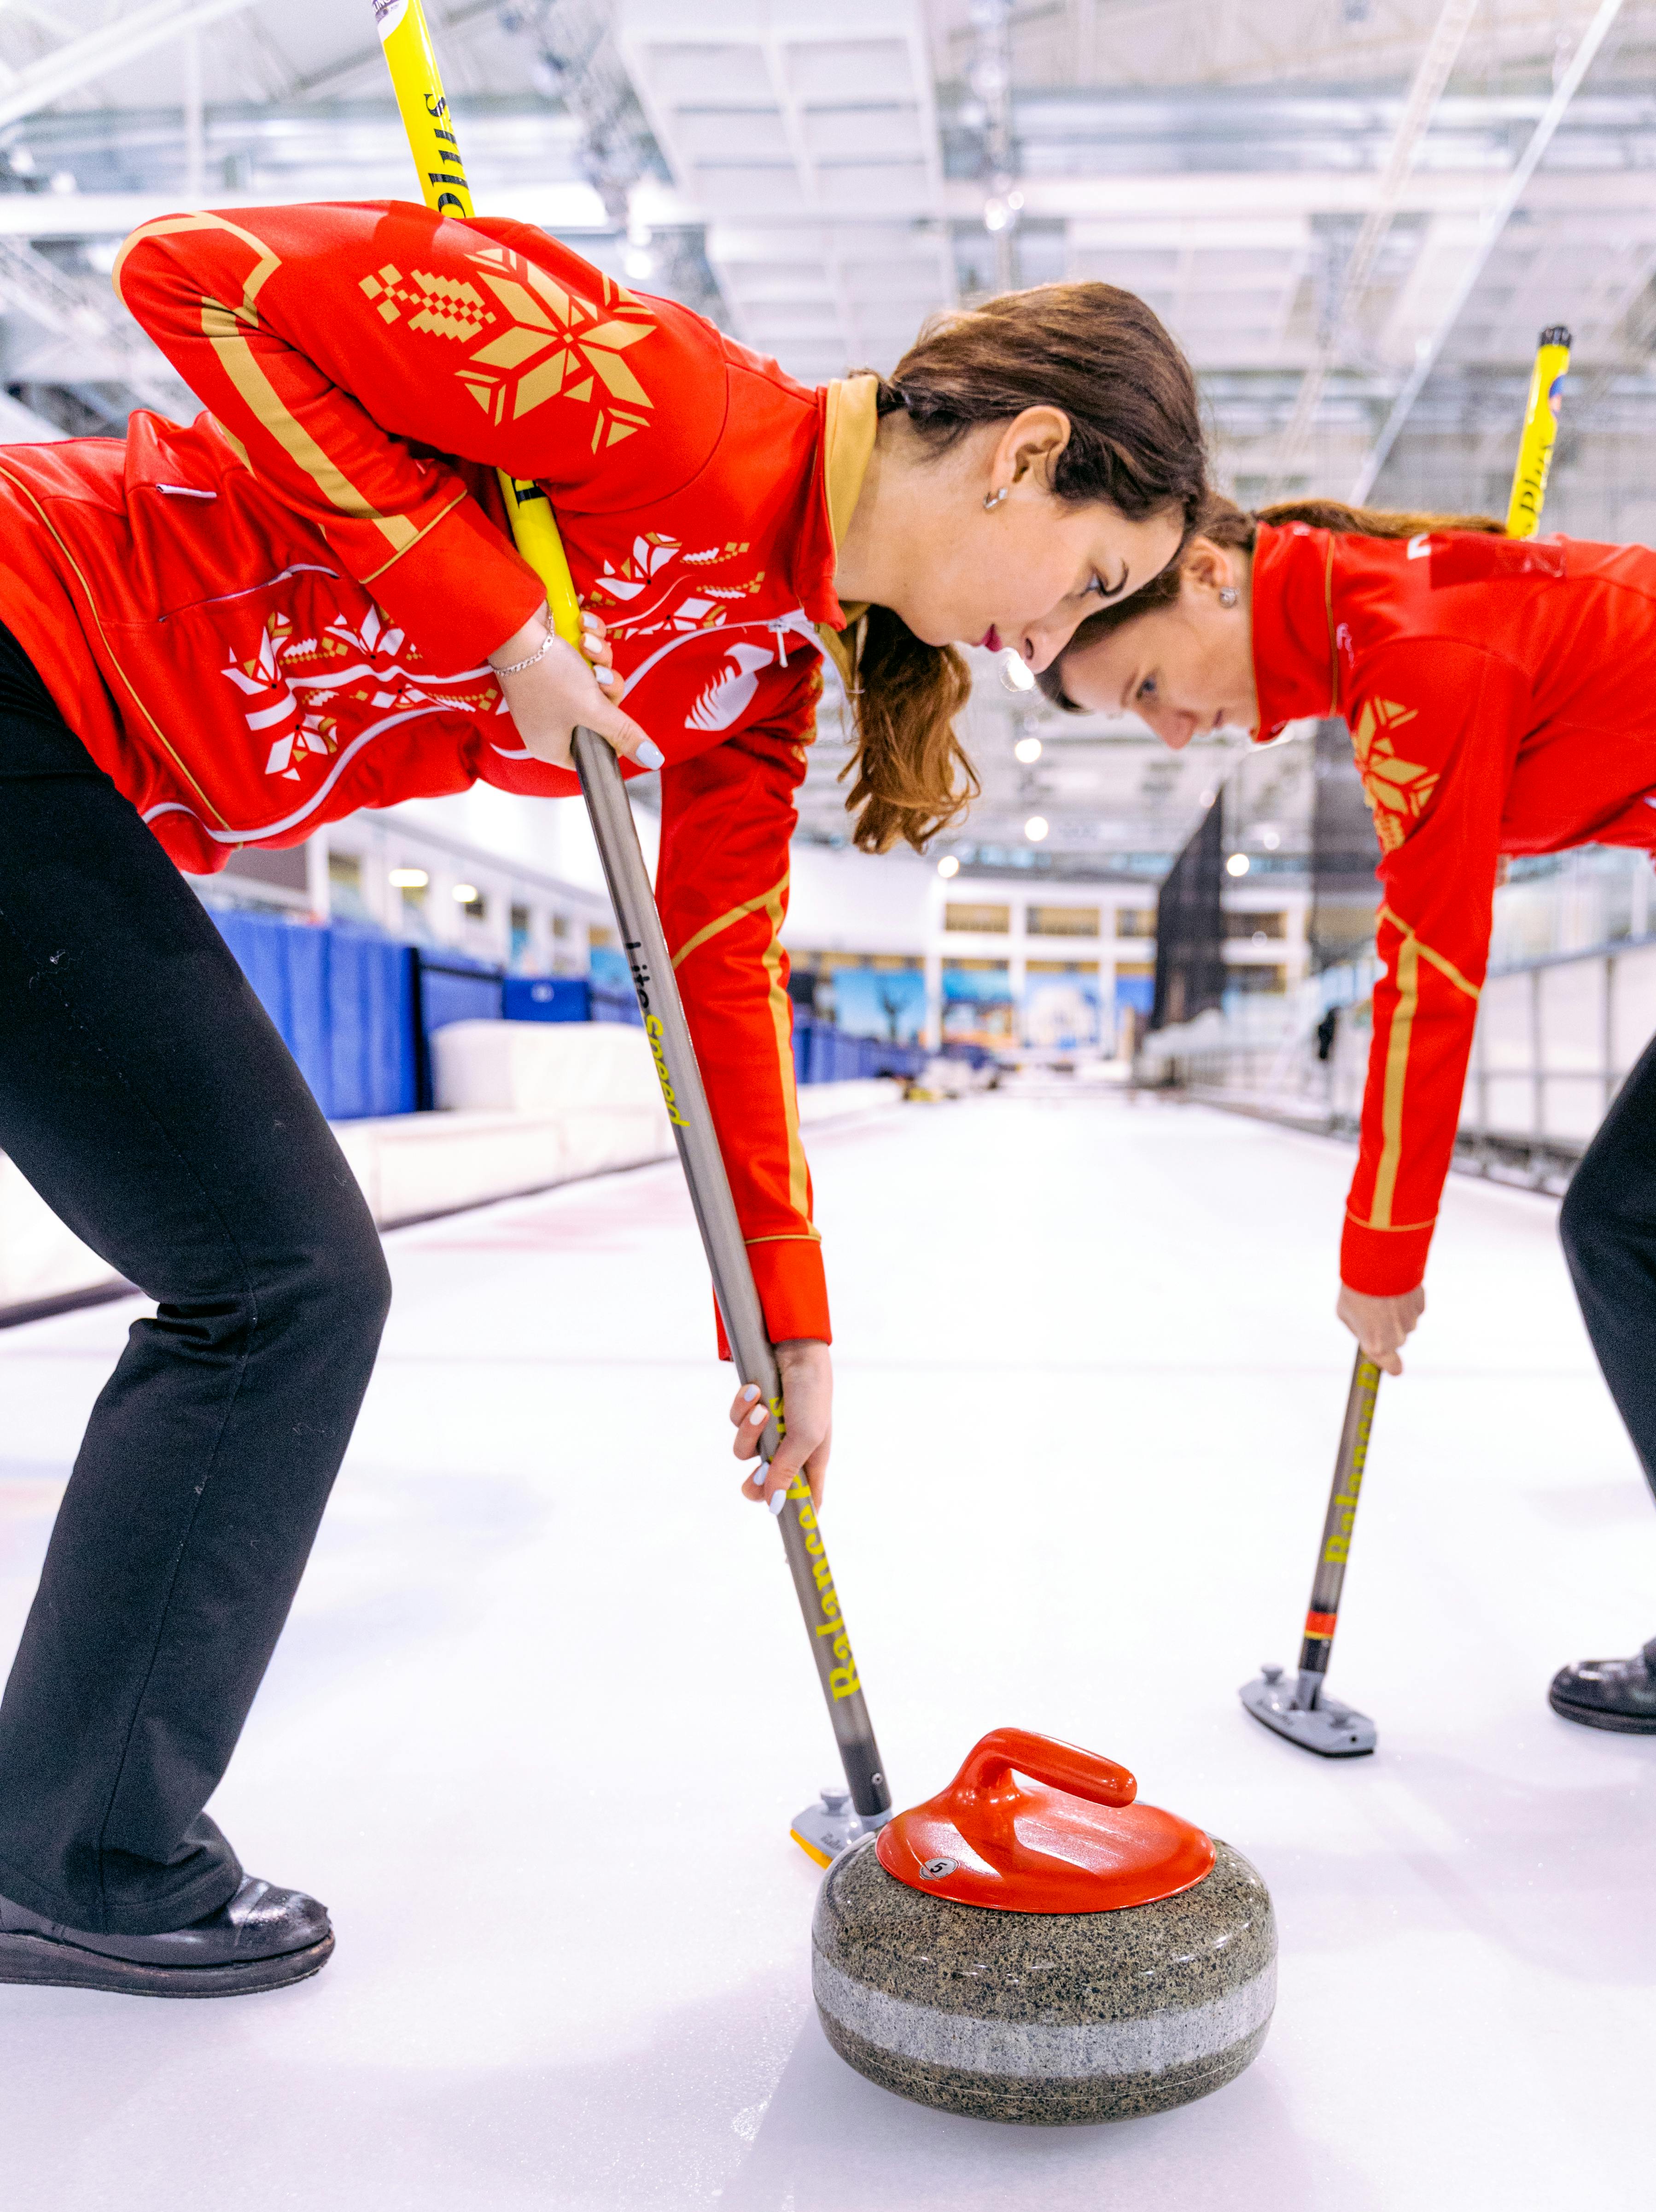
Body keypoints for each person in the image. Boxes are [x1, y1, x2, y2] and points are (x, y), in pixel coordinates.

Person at [0, 203, 1206, 1999]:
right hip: (29, 645)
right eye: (1096, 577)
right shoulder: (653, 399)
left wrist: (784, 1329)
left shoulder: (756, 672)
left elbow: (716, 983)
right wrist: (486, 615)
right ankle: (76, 1850)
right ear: (1029, 457)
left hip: (79, 781)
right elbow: (199, 276)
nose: (1056, 639)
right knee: (280, 1282)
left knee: (268, 1277)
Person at [1046, 490, 1656, 1751]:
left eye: (1148, 686)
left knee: (1637, 1223)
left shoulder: (1414, 648)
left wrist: (1381, 1256)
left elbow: (1429, 971)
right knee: (1634, 1223)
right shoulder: (1385, 634)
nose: (1178, 727)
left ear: (1205, 574)